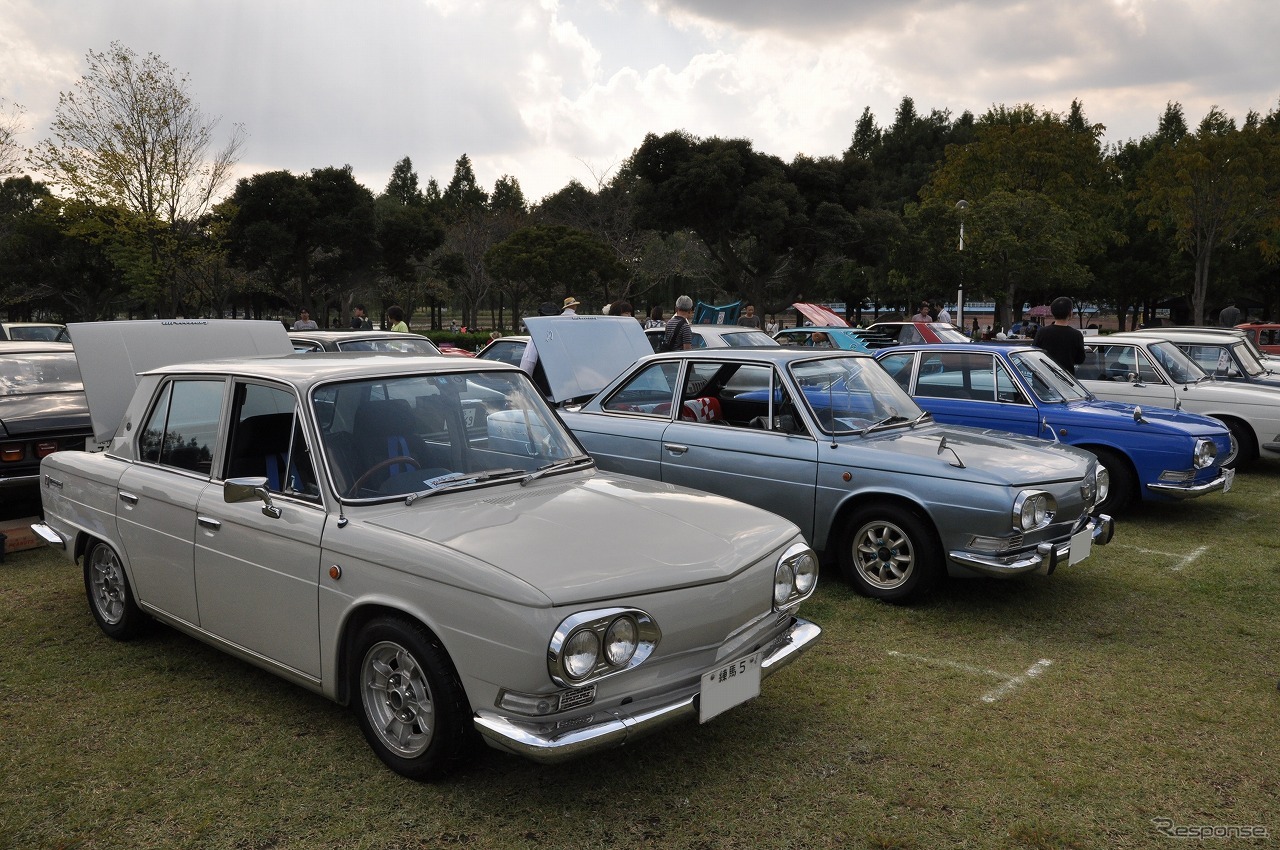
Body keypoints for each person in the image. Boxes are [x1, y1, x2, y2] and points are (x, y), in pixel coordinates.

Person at [1033, 296, 1086, 375]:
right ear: (1070, 313)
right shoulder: (1076, 335)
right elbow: (1080, 359)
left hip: (1043, 378)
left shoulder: (1042, 332)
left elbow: (1034, 353)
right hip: (1065, 379)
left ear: (1052, 313)